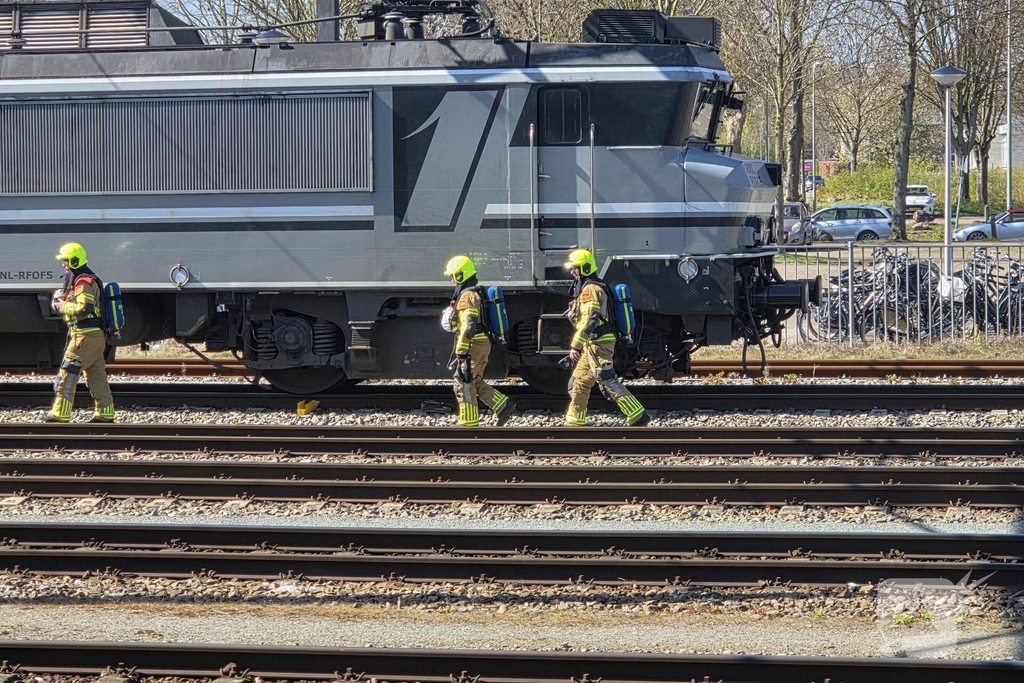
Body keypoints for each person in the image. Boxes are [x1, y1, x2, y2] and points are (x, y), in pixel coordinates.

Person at [563, 248, 648, 427]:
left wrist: (575, 346)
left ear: (585, 268)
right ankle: (574, 421)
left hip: (598, 342)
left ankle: (637, 413)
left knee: (606, 377)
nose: (572, 272)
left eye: (575, 268)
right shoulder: (589, 287)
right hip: (592, 343)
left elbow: (590, 319)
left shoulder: (590, 290)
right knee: (579, 380)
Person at [47, 242, 115, 423]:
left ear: (75, 261)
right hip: (92, 336)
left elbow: (84, 307)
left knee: (68, 373)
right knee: (96, 375)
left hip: (84, 337)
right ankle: (105, 412)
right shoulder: (83, 279)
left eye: (66, 261)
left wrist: (61, 306)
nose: (63, 264)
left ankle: (61, 413)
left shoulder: (83, 282)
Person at [443, 255, 514, 427]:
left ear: (460, 275)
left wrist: (461, 350)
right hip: (480, 343)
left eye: (453, 276)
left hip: (474, 344)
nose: (453, 280)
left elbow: (469, 325)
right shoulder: (474, 292)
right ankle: (503, 405)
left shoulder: (467, 296)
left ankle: (469, 421)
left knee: (464, 381)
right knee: (474, 380)